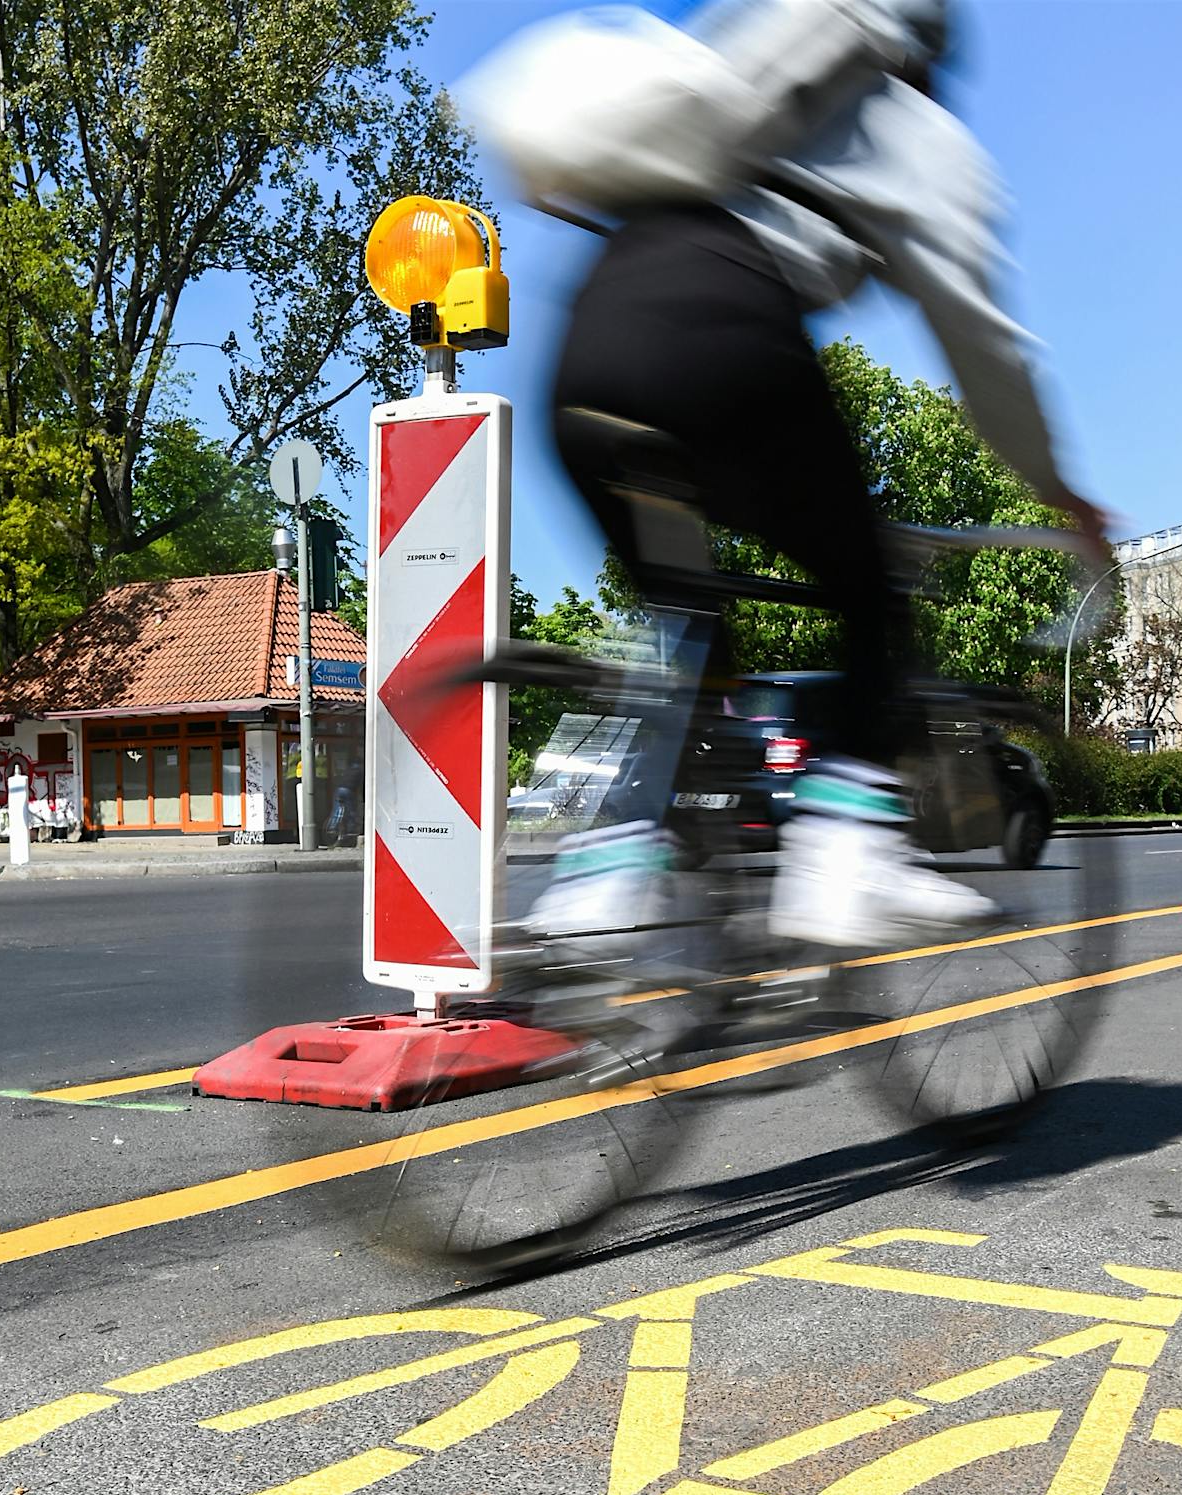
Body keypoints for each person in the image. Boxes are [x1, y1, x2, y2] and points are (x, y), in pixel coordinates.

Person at [467, 0, 1105, 950]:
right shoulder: (919, 131)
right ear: (925, 51)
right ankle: (847, 852)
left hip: (591, 345)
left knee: (687, 630)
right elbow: (986, 349)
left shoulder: (752, 39)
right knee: (870, 592)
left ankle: (610, 866)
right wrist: (1059, 491)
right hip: (725, 332)